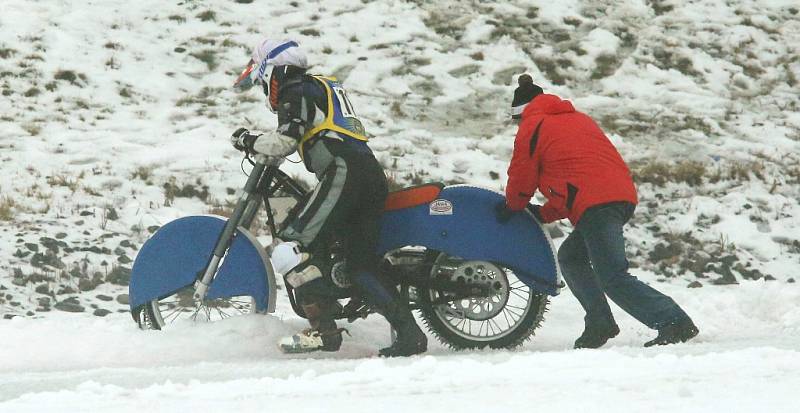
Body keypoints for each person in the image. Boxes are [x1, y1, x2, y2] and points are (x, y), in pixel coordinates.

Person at [230, 38, 427, 357]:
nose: (264, 88)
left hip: (343, 172)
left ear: (271, 70)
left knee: (290, 246)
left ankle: (324, 331)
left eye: (262, 80)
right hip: (368, 174)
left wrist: (247, 140)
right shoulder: (321, 85)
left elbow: (285, 141)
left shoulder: (295, 88)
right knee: (360, 265)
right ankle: (410, 335)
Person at [495, 91, 699, 349]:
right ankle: (599, 322)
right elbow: (574, 182)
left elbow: (522, 173)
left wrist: (514, 206)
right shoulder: (577, 119)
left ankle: (674, 321)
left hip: (597, 205)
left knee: (612, 275)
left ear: (520, 114)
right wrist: (544, 213)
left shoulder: (533, 125)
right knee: (571, 257)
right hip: (618, 197)